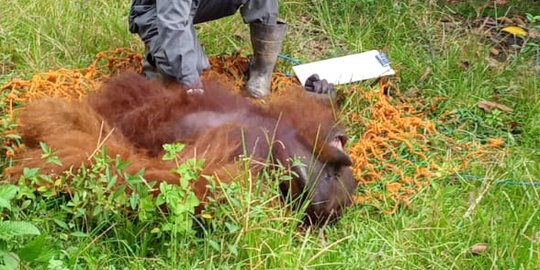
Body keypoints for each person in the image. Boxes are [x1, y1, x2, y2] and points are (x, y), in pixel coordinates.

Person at [128, 0, 333, 98]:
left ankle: (261, 72)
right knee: (190, 71)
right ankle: (158, 64)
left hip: (194, 5)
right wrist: (193, 86)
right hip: (156, 12)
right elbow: (173, 24)